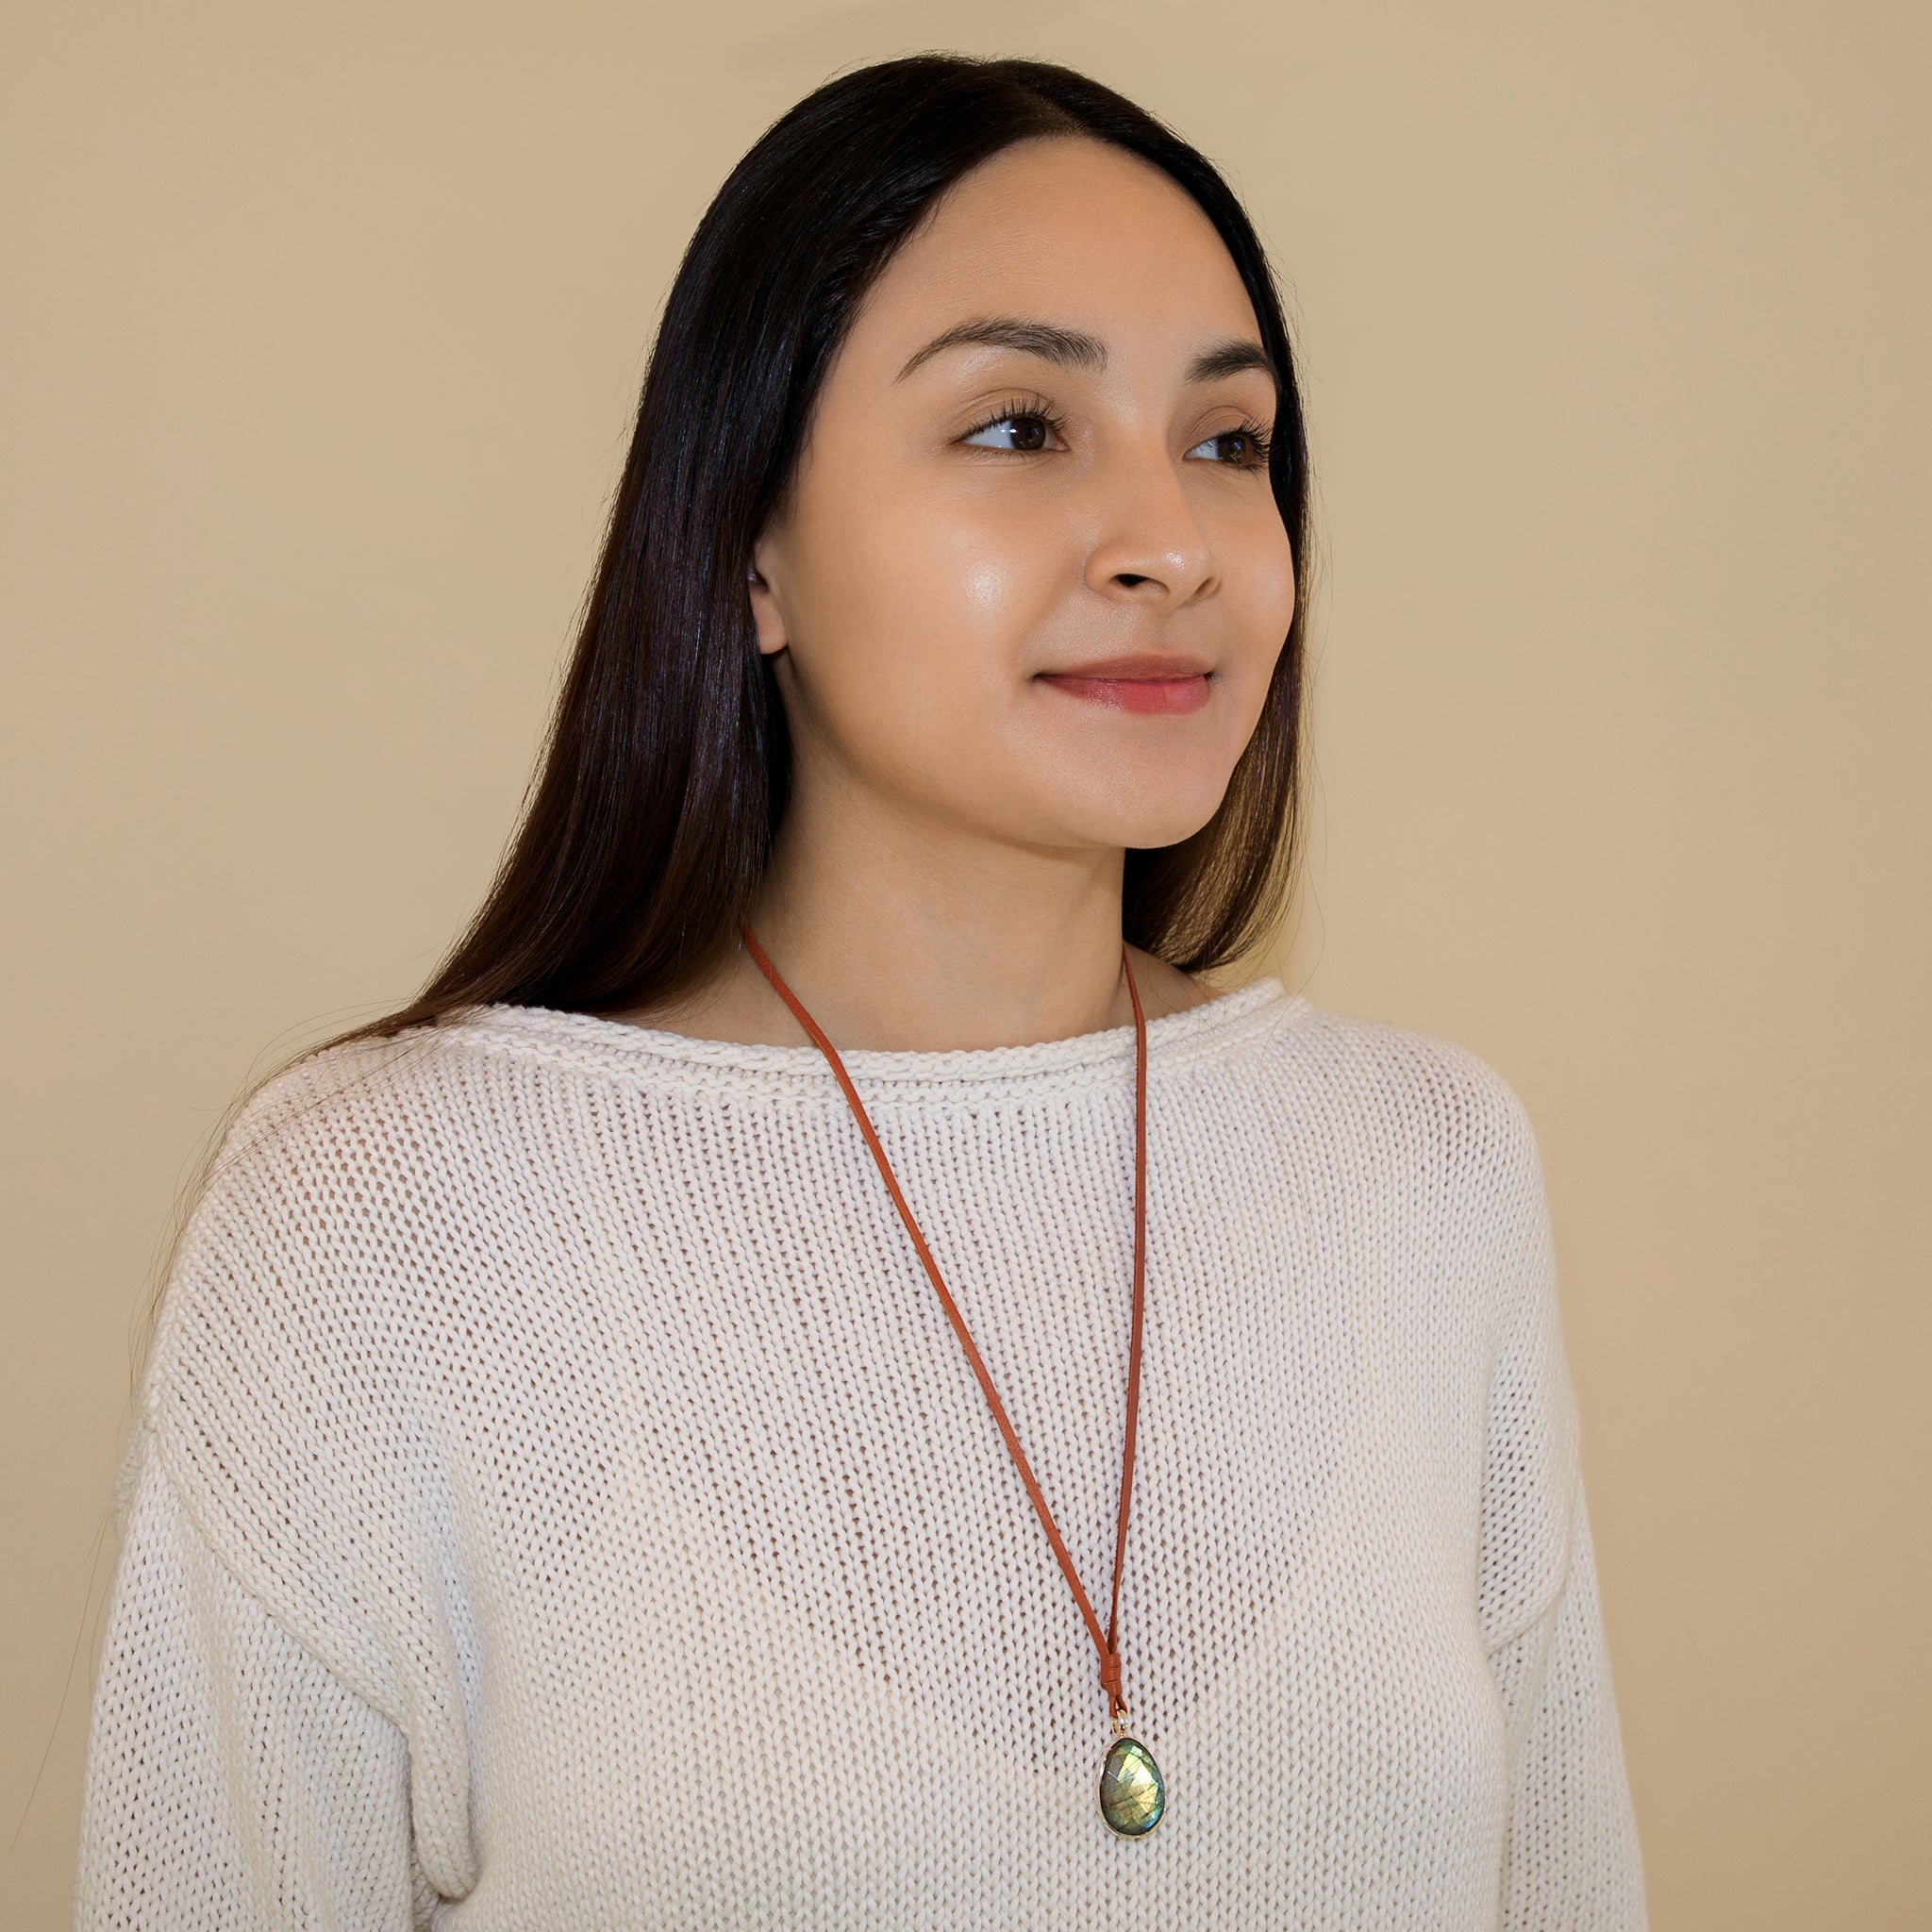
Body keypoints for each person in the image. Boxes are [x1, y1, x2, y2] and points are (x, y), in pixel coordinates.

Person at [73, 53, 1646, 1929]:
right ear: (751, 552)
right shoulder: (376, 1219)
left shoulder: (1430, 1166)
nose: (1169, 540)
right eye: (1016, 426)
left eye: (1227, 443)